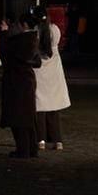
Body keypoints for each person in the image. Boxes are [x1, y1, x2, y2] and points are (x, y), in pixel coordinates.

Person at [0, 11, 44, 158]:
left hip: (17, 80)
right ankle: (31, 148)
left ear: (23, 25)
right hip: (27, 79)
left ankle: (23, 149)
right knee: (28, 116)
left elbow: (4, 49)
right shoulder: (34, 38)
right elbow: (37, 61)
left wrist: (4, 32)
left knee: (18, 116)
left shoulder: (23, 39)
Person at [33, 9, 71, 151]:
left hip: (39, 71)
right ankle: (58, 140)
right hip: (54, 70)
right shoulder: (55, 29)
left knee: (40, 107)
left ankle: (41, 140)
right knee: (53, 108)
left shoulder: (35, 31)